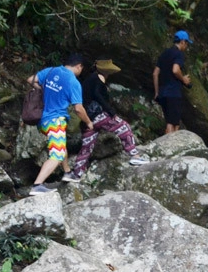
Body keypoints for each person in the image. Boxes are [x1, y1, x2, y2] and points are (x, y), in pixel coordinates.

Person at [64, 59, 149, 181]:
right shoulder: (99, 77)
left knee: (87, 146)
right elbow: (98, 95)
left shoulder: (89, 79)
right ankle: (134, 155)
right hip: (98, 114)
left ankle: (77, 173)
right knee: (124, 127)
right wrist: (111, 112)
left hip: (87, 118)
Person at [26, 53, 93, 193]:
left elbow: (31, 80)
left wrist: (43, 90)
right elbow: (78, 109)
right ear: (79, 66)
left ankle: (67, 172)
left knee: (61, 146)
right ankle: (38, 185)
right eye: (82, 69)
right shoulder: (73, 82)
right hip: (55, 121)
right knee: (57, 154)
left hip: (42, 121)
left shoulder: (50, 71)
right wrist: (89, 122)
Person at [153, 31, 192, 135]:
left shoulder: (164, 54)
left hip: (162, 93)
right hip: (173, 92)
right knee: (173, 123)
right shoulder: (178, 54)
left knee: (169, 121)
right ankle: (170, 147)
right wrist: (183, 79)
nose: (186, 46)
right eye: (187, 43)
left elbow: (155, 73)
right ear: (183, 42)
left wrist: (157, 92)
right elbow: (175, 70)